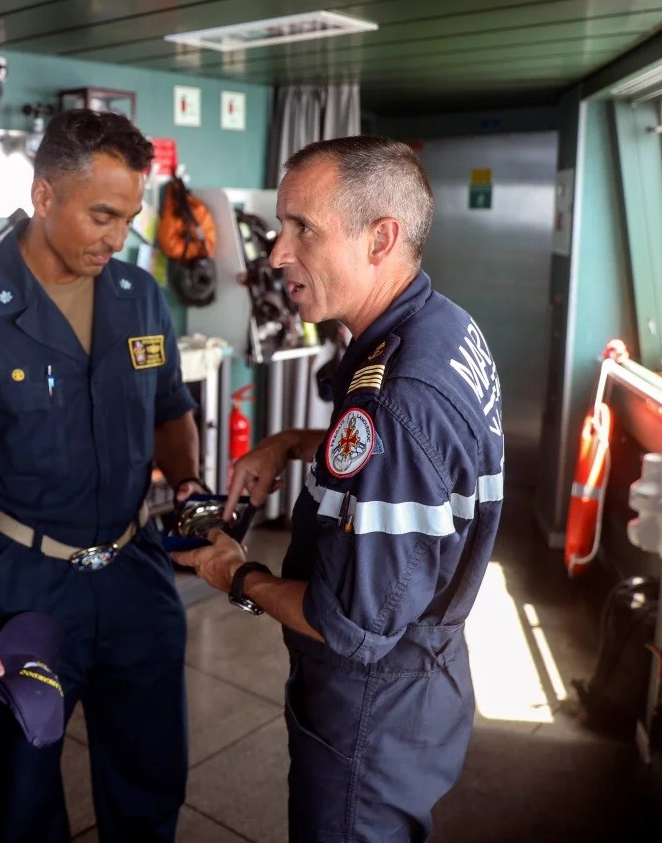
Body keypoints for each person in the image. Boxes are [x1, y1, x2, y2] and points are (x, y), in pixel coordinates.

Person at [174, 136, 505, 842]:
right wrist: (297, 443)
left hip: (373, 710)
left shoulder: (397, 397)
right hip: (425, 677)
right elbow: (425, 471)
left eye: (303, 229)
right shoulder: (442, 328)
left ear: (381, 237)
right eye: (279, 226)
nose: (275, 255)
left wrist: (239, 575)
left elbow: (349, 625)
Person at [0, 109, 204, 843]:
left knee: (152, 779)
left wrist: (191, 493)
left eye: (127, 218)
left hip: (135, 574)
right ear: (43, 195)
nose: (115, 237)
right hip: (25, 585)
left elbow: (170, 407)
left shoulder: (139, 296)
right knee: (27, 795)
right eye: (101, 214)